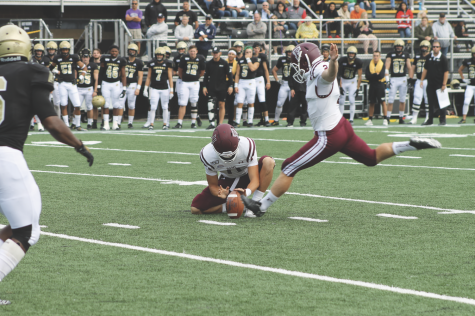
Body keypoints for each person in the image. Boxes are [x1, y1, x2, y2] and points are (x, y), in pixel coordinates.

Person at [240, 43, 442, 217]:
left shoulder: (322, 71)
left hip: (328, 135)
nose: (296, 66)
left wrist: (335, 62)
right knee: (371, 158)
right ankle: (410, 144)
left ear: (306, 61)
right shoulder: (317, 68)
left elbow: (329, 75)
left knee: (290, 166)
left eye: (297, 62)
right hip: (342, 127)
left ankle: (260, 206)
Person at [0, 24, 94, 305]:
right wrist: (79, 145)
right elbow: (51, 121)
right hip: (6, 155)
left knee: (17, 227)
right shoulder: (32, 71)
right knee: (28, 232)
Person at [190, 124, 275, 216]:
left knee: (268, 162)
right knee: (195, 209)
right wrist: (220, 193)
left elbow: (254, 180)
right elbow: (213, 186)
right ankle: (234, 206)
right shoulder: (207, 155)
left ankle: (255, 203)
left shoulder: (247, 145)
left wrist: (247, 192)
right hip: (228, 180)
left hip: (247, 175)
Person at [49, 41, 86, 130]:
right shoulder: (57, 58)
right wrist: (55, 72)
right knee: (63, 104)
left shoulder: (74, 57)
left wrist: (80, 77)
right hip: (62, 84)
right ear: (60, 50)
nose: (65, 51)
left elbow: (84, 67)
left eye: (66, 50)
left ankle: (77, 125)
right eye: (63, 50)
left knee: (77, 105)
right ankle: (66, 125)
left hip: (72, 84)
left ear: (69, 50)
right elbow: (50, 68)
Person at [97, 45, 127, 130]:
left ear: (118, 52)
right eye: (112, 51)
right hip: (105, 83)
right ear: (110, 52)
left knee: (116, 104)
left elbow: (123, 75)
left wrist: (124, 88)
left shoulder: (121, 60)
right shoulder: (105, 59)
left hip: (116, 83)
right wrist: (99, 86)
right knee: (105, 104)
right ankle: (106, 124)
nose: (114, 53)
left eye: (115, 51)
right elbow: (101, 73)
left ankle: (115, 124)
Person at [203, 47, 234, 129]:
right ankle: (212, 123)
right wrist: (204, 86)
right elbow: (206, 76)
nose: (215, 54)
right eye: (214, 52)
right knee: (210, 104)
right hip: (212, 86)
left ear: (220, 53)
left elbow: (230, 75)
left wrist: (231, 86)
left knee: (221, 104)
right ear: (212, 53)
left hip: (222, 87)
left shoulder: (224, 63)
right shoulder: (209, 63)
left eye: (217, 52)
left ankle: (220, 124)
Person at [143, 47, 173, 130]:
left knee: (165, 107)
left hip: (164, 88)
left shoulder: (168, 63)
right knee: (153, 107)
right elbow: (148, 77)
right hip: (154, 88)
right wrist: (145, 88)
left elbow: (170, 77)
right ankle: (151, 124)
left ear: (164, 55)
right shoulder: (152, 63)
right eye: (158, 54)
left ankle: (165, 124)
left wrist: (172, 90)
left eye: (160, 54)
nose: (159, 56)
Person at [175, 45, 205, 129]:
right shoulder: (184, 58)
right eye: (191, 51)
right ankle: (179, 123)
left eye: (194, 51)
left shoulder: (200, 58)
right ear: (189, 52)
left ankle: (193, 123)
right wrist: (183, 78)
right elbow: (180, 70)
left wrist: (196, 77)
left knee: (194, 102)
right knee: (182, 103)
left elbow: (202, 71)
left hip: (195, 83)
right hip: (185, 82)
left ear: (197, 51)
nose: (192, 53)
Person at [420, 41, 449, 126]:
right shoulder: (429, 57)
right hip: (431, 83)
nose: (435, 48)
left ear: (440, 48)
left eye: (437, 47)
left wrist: (444, 84)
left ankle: (442, 120)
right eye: (434, 47)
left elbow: (446, 72)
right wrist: (422, 80)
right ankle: (430, 120)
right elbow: (425, 69)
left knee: (442, 103)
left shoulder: (443, 58)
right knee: (430, 103)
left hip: (439, 84)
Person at [385, 39, 412, 124]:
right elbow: (386, 69)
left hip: (403, 79)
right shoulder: (390, 54)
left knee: (402, 99)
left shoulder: (406, 55)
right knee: (390, 99)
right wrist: (387, 81)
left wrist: (410, 79)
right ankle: (388, 117)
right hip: (393, 79)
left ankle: (401, 118)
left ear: (402, 47)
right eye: (397, 46)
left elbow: (409, 67)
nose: (398, 48)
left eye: (400, 46)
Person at [234, 47, 260, 127]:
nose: (248, 53)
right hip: (242, 82)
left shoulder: (255, 59)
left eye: (249, 52)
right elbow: (237, 74)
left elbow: (252, 68)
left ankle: (250, 121)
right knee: (240, 102)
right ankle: (237, 121)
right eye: (246, 52)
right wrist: (236, 85)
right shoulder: (240, 60)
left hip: (251, 82)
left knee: (251, 102)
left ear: (252, 53)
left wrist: (248, 60)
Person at [121, 43, 144, 128]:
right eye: (130, 50)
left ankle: (130, 122)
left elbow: (140, 76)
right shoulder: (123, 60)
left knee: (131, 105)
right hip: (122, 84)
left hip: (132, 84)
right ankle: (118, 122)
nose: (132, 52)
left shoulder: (138, 62)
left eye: (133, 51)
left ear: (136, 52)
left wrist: (138, 88)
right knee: (120, 104)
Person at [338, 46, 362, 124]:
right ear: (347, 54)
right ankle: (341, 119)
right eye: (350, 53)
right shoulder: (342, 60)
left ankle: (351, 119)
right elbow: (339, 75)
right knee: (341, 101)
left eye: (353, 53)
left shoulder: (358, 62)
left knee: (352, 100)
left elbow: (360, 76)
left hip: (352, 81)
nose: (351, 55)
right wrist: (340, 86)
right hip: (343, 80)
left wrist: (358, 88)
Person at [408, 40, 430, 125]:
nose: (424, 49)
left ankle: (428, 118)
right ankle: (414, 118)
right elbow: (413, 68)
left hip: (428, 80)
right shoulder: (417, 57)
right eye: (422, 47)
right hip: (419, 80)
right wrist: (410, 77)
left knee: (427, 99)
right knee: (417, 98)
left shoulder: (431, 56)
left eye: (425, 47)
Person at [76, 49, 99, 130]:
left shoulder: (93, 65)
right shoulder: (77, 65)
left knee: (89, 107)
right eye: (83, 57)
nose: (85, 58)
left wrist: (95, 90)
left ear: (89, 57)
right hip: (79, 88)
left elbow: (96, 79)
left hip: (89, 88)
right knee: (77, 106)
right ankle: (77, 123)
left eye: (86, 57)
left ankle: (90, 123)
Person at [272, 45, 294, 126]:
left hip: (294, 85)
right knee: (279, 103)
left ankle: (290, 121)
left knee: (292, 104)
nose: (289, 53)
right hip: (284, 84)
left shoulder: (297, 60)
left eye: (291, 52)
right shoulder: (282, 59)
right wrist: (277, 80)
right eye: (288, 52)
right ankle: (276, 120)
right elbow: (274, 70)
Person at [30, 43, 50, 132]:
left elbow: (47, 71)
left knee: (39, 104)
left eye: (40, 51)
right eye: (37, 51)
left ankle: (39, 123)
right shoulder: (31, 59)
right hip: (32, 83)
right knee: (30, 104)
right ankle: (31, 124)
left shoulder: (45, 60)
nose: (38, 53)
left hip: (41, 83)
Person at [365, 51, 388, 126]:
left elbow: (381, 76)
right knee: (371, 102)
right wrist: (375, 74)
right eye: (374, 55)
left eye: (377, 56)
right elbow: (367, 76)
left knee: (382, 101)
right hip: (372, 84)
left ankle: (385, 119)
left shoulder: (382, 64)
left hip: (380, 85)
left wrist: (373, 75)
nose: (375, 57)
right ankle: (370, 119)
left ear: (380, 56)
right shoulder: (369, 64)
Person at [252, 43, 271, 127]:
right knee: (253, 101)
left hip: (260, 79)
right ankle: (261, 119)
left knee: (262, 99)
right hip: (251, 79)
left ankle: (266, 120)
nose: (256, 50)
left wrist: (268, 81)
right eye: (255, 48)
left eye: (258, 48)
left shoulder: (262, 56)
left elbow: (266, 69)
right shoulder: (251, 56)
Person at [457, 47, 475, 124]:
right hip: (470, 85)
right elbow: (460, 70)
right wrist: (463, 78)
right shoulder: (468, 61)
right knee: (466, 102)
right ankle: (464, 118)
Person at [226, 48, 239, 125]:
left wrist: (235, 85)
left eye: (232, 54)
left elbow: (237, 74)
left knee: (231, 103)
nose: (230, 55)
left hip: (232, 82)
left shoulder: (236, 63)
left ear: (235, 55)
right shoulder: (224, 62)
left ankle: (231, 120)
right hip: (224, 82)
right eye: (229, 54)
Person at [91, 48, 102, 129]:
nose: (95, 54)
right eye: (94, 53)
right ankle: (94, 122)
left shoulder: (102, 64)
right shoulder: (91, 64)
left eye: (97, 53)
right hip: (93, 85)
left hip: (102, 84)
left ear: (100, 55)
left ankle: (103, 121)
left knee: (102, 104)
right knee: (94, 104)